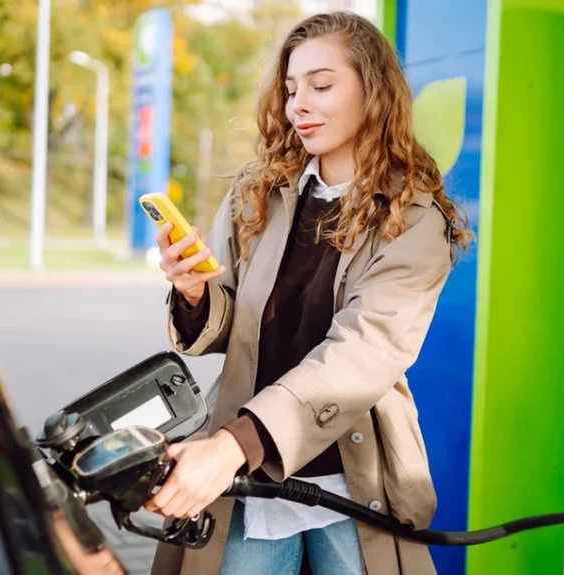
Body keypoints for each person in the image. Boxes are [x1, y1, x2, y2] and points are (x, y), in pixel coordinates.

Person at [145, 11, 473, 575]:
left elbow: (364, 352)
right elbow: (232, 327)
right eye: (292, 88)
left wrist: (232, 446)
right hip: (249, 476)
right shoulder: (257, 192)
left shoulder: (417, 218)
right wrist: (195, 293)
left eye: (322, 86)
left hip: (349, 479)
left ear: (374, 91)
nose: (298, 104)